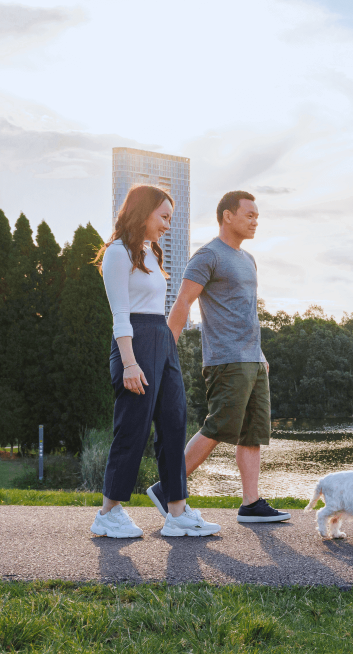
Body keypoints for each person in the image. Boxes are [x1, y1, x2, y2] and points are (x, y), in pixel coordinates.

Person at [146, 190, 289, 524]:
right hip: (226, 360)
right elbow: (183, 303)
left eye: (257, 216)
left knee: (253, 432)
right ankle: (168, 487)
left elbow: (247, 312)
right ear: (228, 215)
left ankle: (251, 503)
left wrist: (261, 353)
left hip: (252, 360)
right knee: (219, 425)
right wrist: (166, 350)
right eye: (249, 215)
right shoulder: (208, 256)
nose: (255, 221)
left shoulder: (248, 259)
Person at [92, 184, 221, 538]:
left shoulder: (151, 253)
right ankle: (109, 512)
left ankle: (177, 512)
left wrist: (165, 346)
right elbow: (120, 315)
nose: (167, 224)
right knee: (132, 427)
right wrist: (130, 363)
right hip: (134, 341)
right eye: (163, 216)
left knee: (174, 420)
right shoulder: (118, 253)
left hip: (161, 339)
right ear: (142, 212)